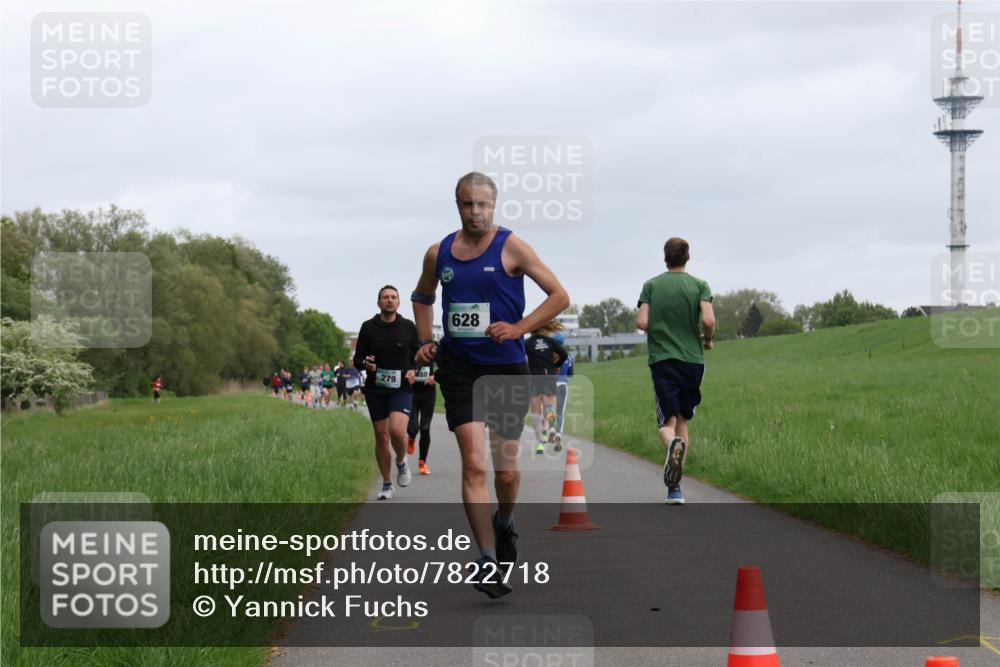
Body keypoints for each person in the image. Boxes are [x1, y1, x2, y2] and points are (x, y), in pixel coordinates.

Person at [412, 171, 570, 598]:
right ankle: (485, 559)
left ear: (493, 206)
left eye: (482, 205)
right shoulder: (439, 252)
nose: (475, 212)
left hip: (505, 368)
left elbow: (559, 295)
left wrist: (518, 327)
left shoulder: (512, 246)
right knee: (475, 465)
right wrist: (426, 340)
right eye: (468, 204)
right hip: (459, 367)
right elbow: (422, 297)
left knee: (503, 471)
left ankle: (504, 522)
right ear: (458, 205)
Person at [636, 237, 715, 506]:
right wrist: (708, 339)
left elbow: (642, 321)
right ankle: (675, 491)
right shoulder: (699, 285)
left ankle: (671, 448)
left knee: (666, 423)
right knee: (683, 419)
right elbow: (708, 319)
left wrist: (657, 326)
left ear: (665, 258)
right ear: (687, 257)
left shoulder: (651, 285)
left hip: (663, 360)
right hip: (693, 360)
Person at [355, 285, 420, 500]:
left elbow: (419, 357)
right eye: (385, 297)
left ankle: (401, 461)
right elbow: (358, 360)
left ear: (398, 302)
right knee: (381, 438)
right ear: (379, 302)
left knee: (396, 431)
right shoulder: (368, 328)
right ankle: (386, 483)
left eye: (393, 297)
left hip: (401, 388)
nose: (389, 300)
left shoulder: (409, 327)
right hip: (376, 389)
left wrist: (414, 371)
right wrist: (367, 364)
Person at [525, 321, 568, 454]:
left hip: (534, 380)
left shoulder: (527, 343)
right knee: (549, 410)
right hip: (548, 378)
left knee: (537, 414)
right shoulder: (550, 341)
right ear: (545, 329)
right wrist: (556, 365)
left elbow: (519, 357)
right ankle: (550, 430)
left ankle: (540, 444)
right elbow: (564, 355)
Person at [406, 359, 437, 475]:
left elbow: (445, 364)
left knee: (425, 428)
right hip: (412, 392)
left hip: (428, 394)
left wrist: (435, 376)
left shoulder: (433, 347)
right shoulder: (411, 345)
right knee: (413, 428)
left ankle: (422, 462)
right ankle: (411, 438)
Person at [553, 333, 574, 445]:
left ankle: (551, 428)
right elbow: (571, 374)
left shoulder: (550, 356)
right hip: (563, 385)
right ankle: (558, 433)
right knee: (560, 411)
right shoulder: (569, 356)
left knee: (551, 409)